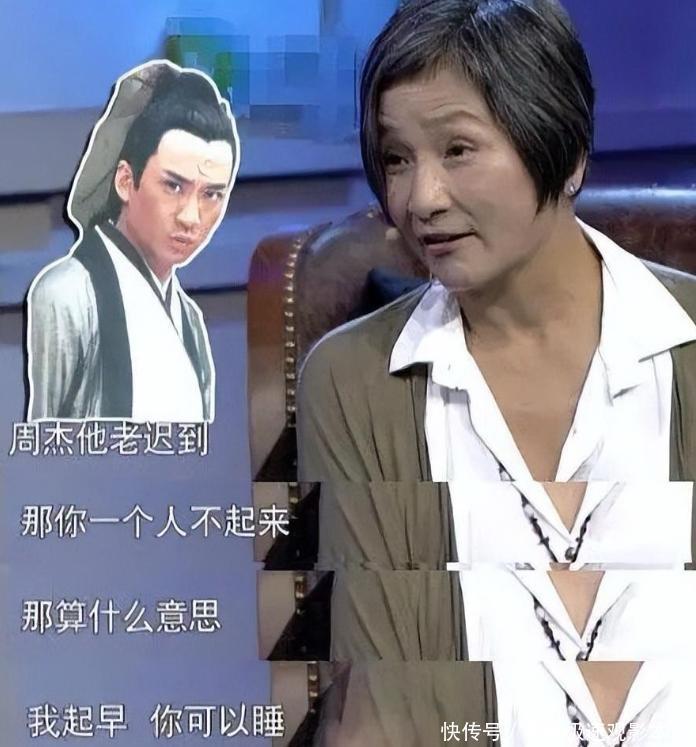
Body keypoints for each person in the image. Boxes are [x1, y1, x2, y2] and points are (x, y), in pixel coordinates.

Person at [294, 0, 696, 743]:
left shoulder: (685, 350)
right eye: (396, 158)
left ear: (566, 155)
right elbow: (381, 705)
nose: (421, 199)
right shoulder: (355, 383)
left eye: (457, 150)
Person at [26, 61, 240, 422]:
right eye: (173, 186)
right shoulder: (68, 293)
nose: (191, 217)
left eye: (212, 195)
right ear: (126, 181)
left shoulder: (190, 321)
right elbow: (45, 444)